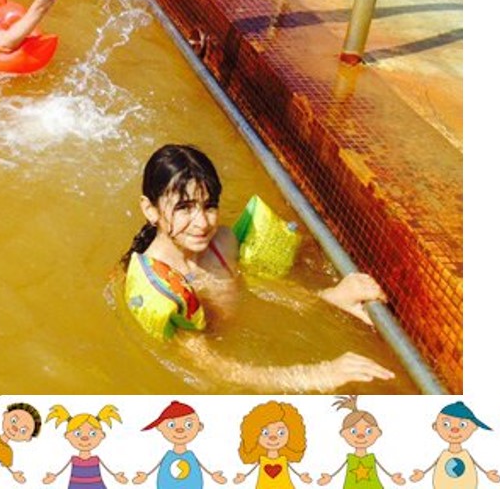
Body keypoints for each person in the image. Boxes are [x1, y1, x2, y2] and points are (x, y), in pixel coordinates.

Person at [120, 143, 394, 391]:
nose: (202, 223)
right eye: (184, 208)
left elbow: (254, 284)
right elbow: (212, 367)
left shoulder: (221, 242)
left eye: (209, 206)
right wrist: (317, 375)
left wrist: (327, 298)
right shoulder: (161, 288)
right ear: (150, 210)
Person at [315, 396, 405, 489]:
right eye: (353, 431)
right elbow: (338, 470)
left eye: (369, 431)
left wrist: (393, 477)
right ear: (343, 433)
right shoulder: (350, 459)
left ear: (378, 432)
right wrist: (329, 477)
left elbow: (384, 470)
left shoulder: (371, 458)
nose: (360, 436)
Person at [131, 401, 223, 489]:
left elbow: (201, 467)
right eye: (171, 425)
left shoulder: (190, 456)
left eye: (188, 424)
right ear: (159, 427)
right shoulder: (169, 456)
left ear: (199, 427)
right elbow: (157, 468)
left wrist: (213, 475)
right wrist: (146, 475)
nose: (180, 430)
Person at [411, 403, 500, 489]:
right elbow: (433, 465)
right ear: (435, 426)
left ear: (474, 427)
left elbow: (477, 465)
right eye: (446, 424)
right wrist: (422, 473)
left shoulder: (465, 455)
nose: (455, 430)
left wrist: (487, 473)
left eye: (462, 425)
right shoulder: (444, 455)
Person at [42, 406, 126, 489]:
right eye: (77, 433)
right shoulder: (74, 459)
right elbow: (60, 472)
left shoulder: (96, 459)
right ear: (67, 435)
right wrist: (53, 477)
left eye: (93, 433)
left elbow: (110, 472)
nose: (84, 438)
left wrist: (116, 476)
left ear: (102, 435)